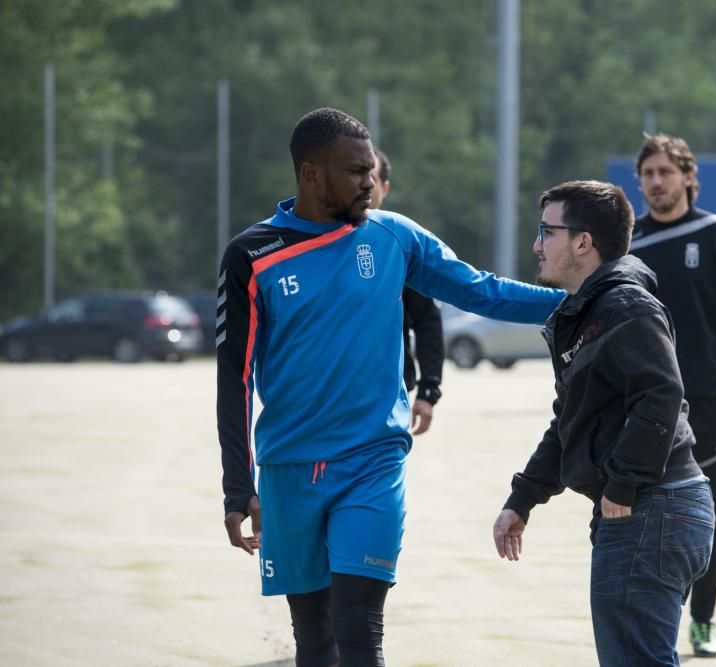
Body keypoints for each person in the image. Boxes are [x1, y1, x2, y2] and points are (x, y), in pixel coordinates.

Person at [216, 107, 563, 667]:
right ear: (310, 174)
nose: (369, 182)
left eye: (372, 171)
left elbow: (482, 291)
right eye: (354, 171)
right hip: (287, 473)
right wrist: (238, 485)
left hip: (371, 463)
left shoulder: (394, 236)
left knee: (359, 631)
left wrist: (581, 298)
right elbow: (234, 378)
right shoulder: (251, 256)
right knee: (314, 642)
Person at [493, 180, 714, 667]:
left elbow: (661, 392)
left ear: (583, 242)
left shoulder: (624, 306)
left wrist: (623, 483)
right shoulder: (587, 312)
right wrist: (523, 498)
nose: (536, 245)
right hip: (649, 512)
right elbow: (568, 421)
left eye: (546, 232)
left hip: (651, 509)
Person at [628, 134, 716, 658]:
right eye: (648, 174)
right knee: (643, 517)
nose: (656, 181)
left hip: (706, 405)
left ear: (687, 176)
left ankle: (702, 620)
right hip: (644, 406)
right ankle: (654, 621)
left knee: (707, 516)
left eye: (665, 172)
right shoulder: (628, 244)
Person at [371, 147, 444, 435]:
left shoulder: (400, 247)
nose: (364, 184)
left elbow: (428, 321)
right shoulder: (320, 245)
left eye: (372, 177)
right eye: (355, 174)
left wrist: (429, 391)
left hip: (390, 396)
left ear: (385, 188)